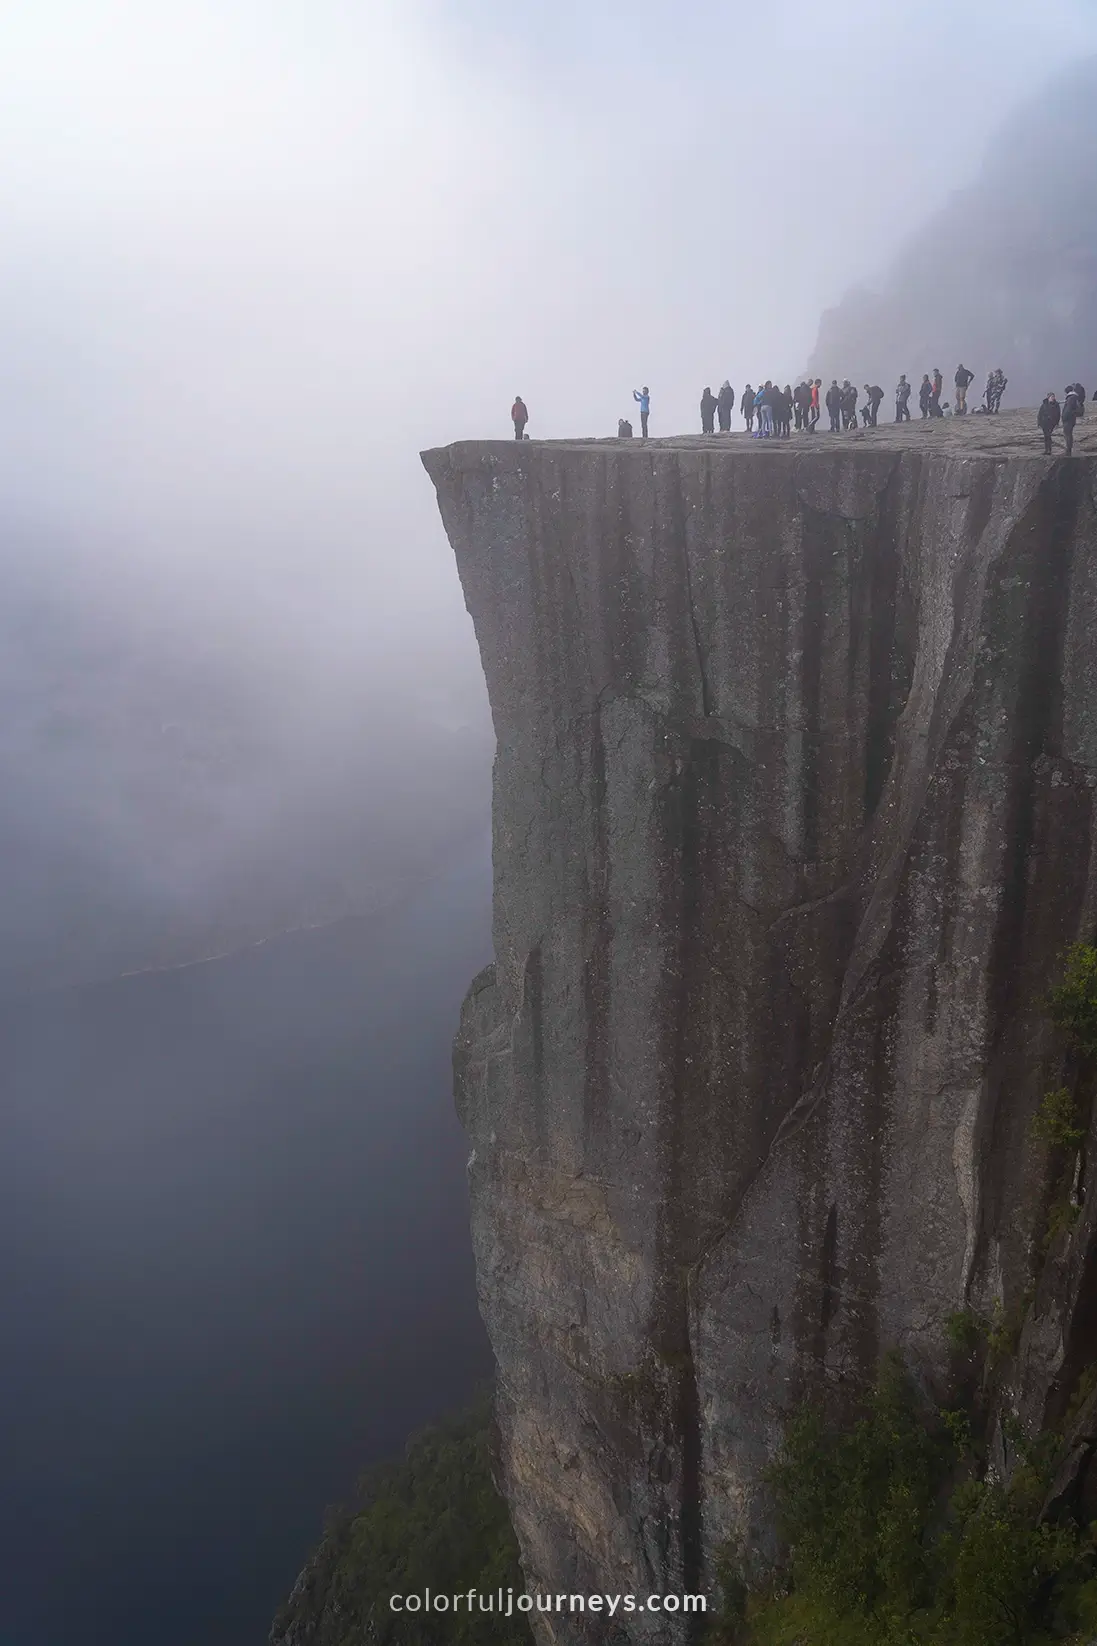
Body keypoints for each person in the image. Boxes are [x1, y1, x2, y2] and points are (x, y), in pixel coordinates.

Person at [1063, 386, 1081, 455]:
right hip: (1071, 419)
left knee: (1068, 435)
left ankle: (1068, 451)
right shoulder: (1074, 397)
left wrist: (1064, 417)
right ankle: (1068, 449)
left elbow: (1068, 410)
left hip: (1068, 420)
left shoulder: (1071, 398)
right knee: (1069, 434)